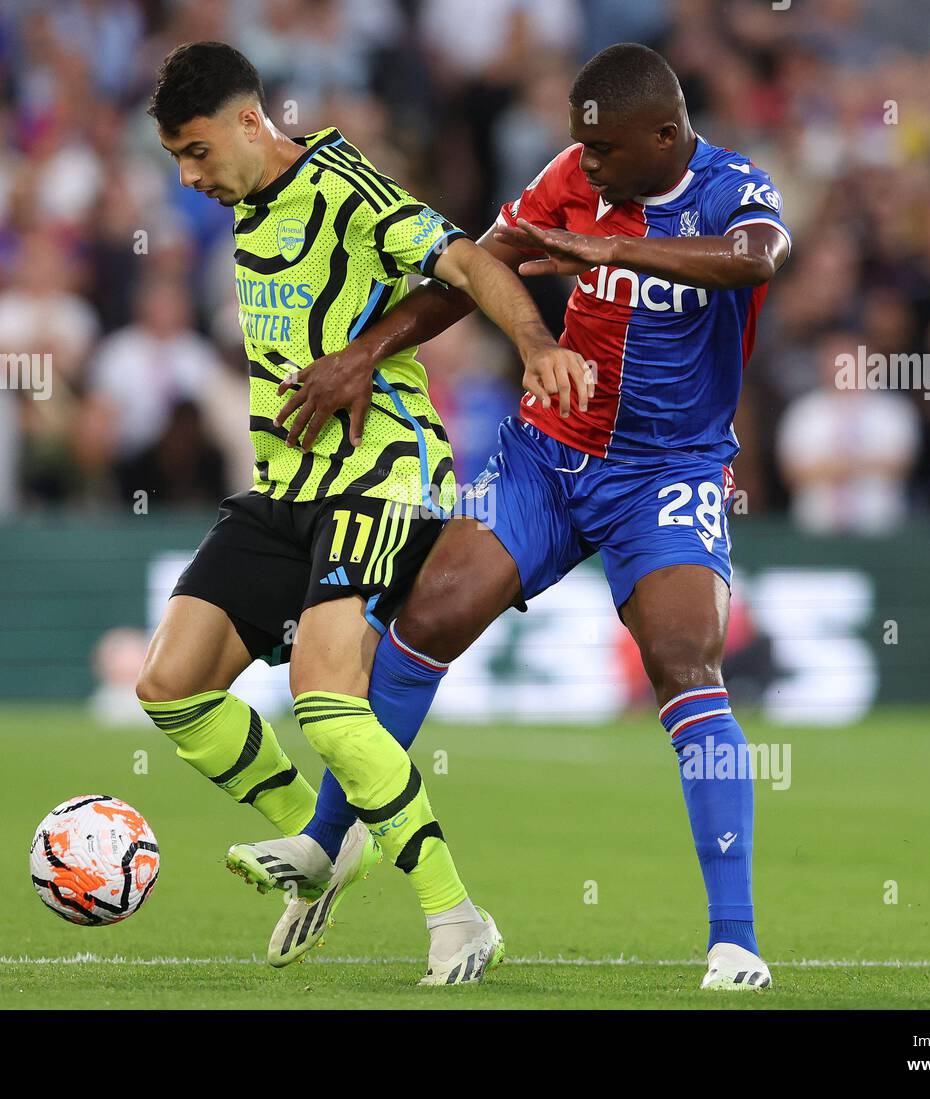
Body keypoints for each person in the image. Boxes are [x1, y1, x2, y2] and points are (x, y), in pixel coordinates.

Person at [265, 43, 788, 991]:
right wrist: (366, 352)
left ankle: (735, 939)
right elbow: (474, 272)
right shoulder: (566, 178)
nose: (584, 167)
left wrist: (614, 247)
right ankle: (329, 839)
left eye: (605, 154)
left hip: (666, 472)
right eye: (579, 150)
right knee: (427, 617)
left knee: (682, 660)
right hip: (549, 452)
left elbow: (759, 260)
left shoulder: (733, 187)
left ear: (666, 135)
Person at [136, 41, 590, 985]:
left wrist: (537, 343)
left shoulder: (345, 187)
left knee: (326, 697)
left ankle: (459, 917)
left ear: (249, 122)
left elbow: (467, 260)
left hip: (384, 476)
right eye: (176, 158)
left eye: (196, 152)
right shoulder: (251, 196)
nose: (188, 177)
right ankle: (324, 844)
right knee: (170, 684)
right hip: (287, 485)